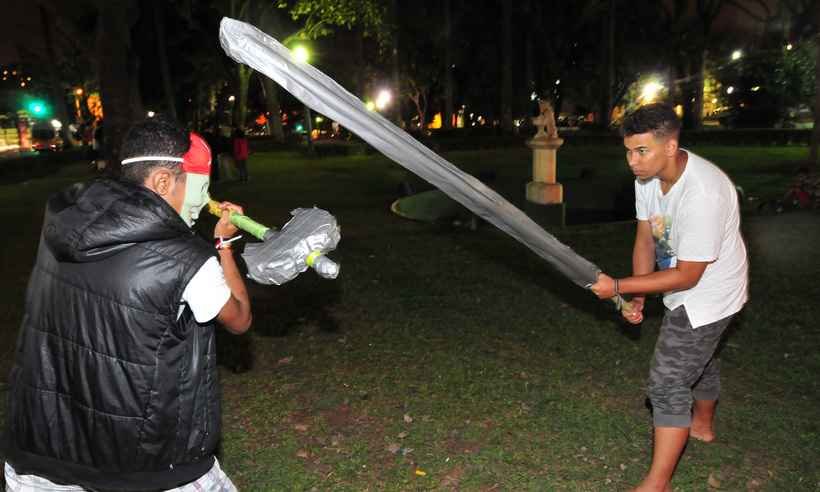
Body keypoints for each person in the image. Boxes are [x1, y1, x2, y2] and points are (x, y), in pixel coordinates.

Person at [3, 117, 252, 491]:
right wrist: (224, 246)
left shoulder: (63, 222)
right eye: (199, 187)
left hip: (42, 447)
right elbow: (240, 318)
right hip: (146, 465)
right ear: (163, 182)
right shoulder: (185, 258)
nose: (204, 201)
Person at [590, 103, 748, 492]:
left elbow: (689, 275)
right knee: (699, 357)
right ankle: (703, 426)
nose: (632, 161)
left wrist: (619, 287)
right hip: (680, 282)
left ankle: (656, 485)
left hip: (709, 293)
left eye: (641, 150)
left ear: (671, 145)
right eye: (628, 150)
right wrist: (639, 295)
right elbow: (646, 238)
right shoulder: (647, 179)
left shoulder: (703, 193)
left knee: (667, 381)